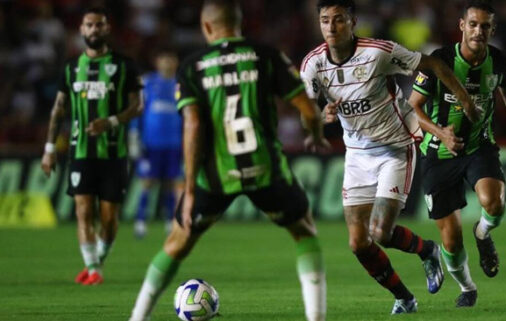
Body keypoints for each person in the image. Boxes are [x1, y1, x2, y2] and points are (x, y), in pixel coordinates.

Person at [129, 1, 329, 320]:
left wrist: (191, 185)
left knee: (177, 242)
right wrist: (316, 132)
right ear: (239, 24)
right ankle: (316, 317)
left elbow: (193, 125)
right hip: (266, 169)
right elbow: (307, 108)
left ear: (206, 27)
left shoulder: (193, 65)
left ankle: (138, 317)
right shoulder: (266, 55)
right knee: (304, 231)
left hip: (216, 174)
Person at [301, 0, 480, 314]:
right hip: (356, 155)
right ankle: (405, 297)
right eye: (325, 20)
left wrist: (463, 98)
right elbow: (307, 108)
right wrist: (321, 114)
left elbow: (434, 65)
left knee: (381, 232)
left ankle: (427, 251)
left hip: (395, 148)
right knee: (358, 243)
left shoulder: (378, 52)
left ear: (353, 22)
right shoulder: (313, 64)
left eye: (339, 19)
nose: (331, 27)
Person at [408, 0, 506, 307]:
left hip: (479, 146)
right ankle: (467, 287)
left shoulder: (500, 62)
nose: (479, 31)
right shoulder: (440, 60)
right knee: (450, 238)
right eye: (473, 24)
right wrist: (442, 133)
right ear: (462, 26)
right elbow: (413, 107)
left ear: (493, 29)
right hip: (438, 153)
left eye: (485, 26)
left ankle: (483, 233)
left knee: (495, 203)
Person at [40, 7, 143, 285]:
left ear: (107, 29)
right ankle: (93, 269)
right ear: (81, 30)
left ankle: (97, 259)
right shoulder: (72, 67)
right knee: (83, 211)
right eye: (89, 25)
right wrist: (49, 149)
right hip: (80, 151)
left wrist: (110, 121)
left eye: (99, 25)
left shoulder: (124, 65)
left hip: (113, 152)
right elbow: (59, 108)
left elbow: (137, 106)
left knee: (109, 220)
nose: (94, 30)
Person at [129, 49, 183, 239]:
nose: (167, 63)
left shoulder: (181, 84)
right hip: (151, 144)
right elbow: (138, 110)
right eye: (164, 59)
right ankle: (141, 221)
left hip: (174, 143)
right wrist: (134, 135)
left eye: (171, 59)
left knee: (171, 184)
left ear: (176, 62)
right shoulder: (148, 82)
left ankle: (170, 222)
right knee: (147, 183)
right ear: (157, 61)